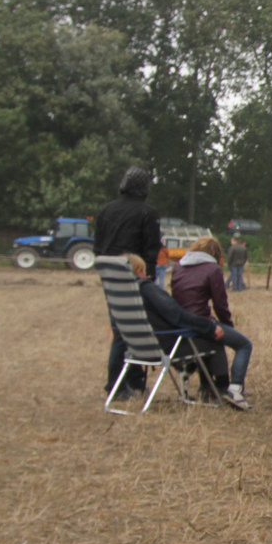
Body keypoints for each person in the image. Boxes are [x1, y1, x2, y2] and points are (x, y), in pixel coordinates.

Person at [117, 254, 247, 403]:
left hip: (137, 349)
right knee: (213, 340)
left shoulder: (122, 294)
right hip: (166, 346)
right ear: (139, 270)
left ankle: (208, 389)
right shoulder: (146, 289)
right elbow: (177, 316)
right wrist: (210, 326)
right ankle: (222, 390)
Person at [94, 166, 163, 400]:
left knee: (123, 328)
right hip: (135, 276)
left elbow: (97, 247)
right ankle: (117, 385)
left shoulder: (106, 210)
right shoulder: (147, 213)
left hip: (110, 277)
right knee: (129, 332)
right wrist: (148, 280)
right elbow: (151, 250)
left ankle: (133, 381)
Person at [170, 235, 255, 410]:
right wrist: (227, 325)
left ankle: (209, 387)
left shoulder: (178, 267)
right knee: (244, 345)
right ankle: (235, 389)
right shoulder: (212, 269)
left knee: (214, 342)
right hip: (202, 324)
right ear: (215, 253)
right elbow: (220, 305)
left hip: (181, 324)